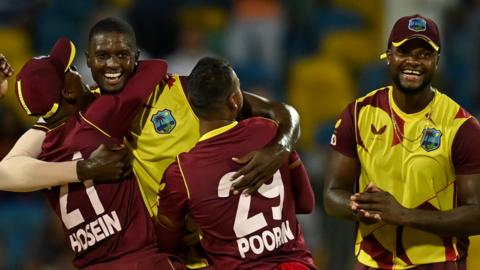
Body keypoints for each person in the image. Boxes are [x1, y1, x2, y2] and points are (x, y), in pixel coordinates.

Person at [85, 17, 300, 221]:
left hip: (223, 236)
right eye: (102, 55)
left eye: (122, 55)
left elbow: (282, 111)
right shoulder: (84, 112)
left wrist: (279, 147)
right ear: (88, 60)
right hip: (168, 242)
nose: (112, 64)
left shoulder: (180, 88)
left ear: (136, 56)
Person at [324, 14, 480, 270]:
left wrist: (404, 215)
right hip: (371, 262)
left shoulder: (462, 126)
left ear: (437, 62)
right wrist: (364, 208)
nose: (413, 61)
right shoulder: (358, 114)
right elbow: (332, 194)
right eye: (404, 51)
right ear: (388, 55)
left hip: (437, 264)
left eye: (424, 54)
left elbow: (477, 214)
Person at [14, 37, 184, 269]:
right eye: (71, 70)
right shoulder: (96, 119)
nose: (80, 72)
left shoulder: (42, 156)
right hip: (140, 261)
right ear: (68, 92)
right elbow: (155, 68)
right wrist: (101, 90)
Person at [156, 57, 316, 270]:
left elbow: (167, 244)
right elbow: (306, 203)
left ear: (193, 105)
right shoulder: (269, 131)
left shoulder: (181, 173)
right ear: (234, 100)